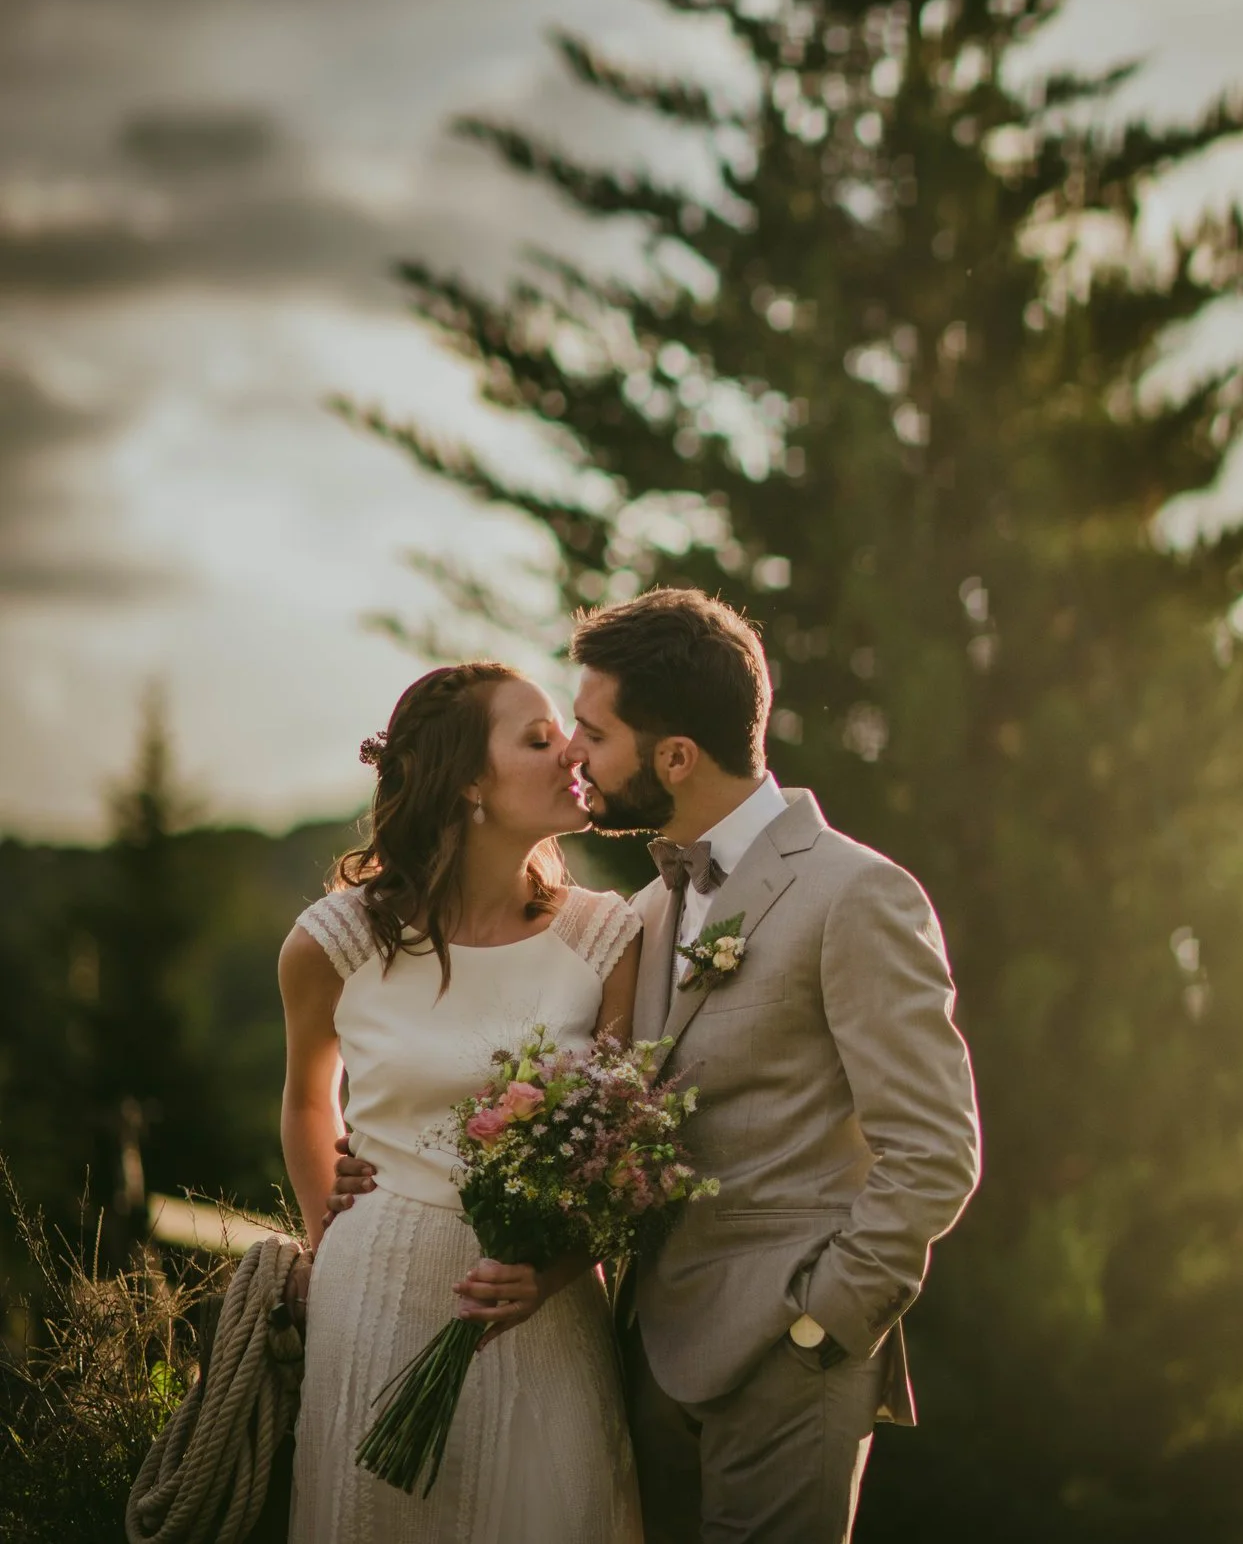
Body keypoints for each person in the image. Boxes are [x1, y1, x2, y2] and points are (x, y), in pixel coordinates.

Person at [332, 589, 983, 1542]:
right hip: (645, 1360)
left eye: (592, 733)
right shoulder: (645, 913)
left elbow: (935, 1151)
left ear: (675, 757)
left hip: (790, 1364)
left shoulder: (857, 894)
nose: (575, 758)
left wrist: (822, 1324)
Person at [280, 661, 645, 1542]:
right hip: (374, 1296)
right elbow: (304, 1099)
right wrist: (330, 1229)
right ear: (469, 783)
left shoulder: (606, 938)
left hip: (543, 1307)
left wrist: (550, 1272)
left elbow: (625, 1141)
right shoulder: (335, 940)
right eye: (537, 738)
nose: (572, 753)